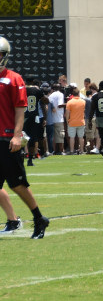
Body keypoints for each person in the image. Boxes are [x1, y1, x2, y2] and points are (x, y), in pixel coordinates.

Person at [0, 37, 49, 238]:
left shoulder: (14, 78)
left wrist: (17, 135)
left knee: (18, 184)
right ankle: (13, 220)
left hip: (7, 138)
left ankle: (38, 218)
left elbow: (20, 109)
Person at [24, 78, 45, 165]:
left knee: (23, 137)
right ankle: (30, 159)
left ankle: (23, 154)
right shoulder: (36, 90)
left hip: (23, 116)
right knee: (33, 138)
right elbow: (44, 101)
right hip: (34, 116)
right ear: (33, 81)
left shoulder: (22, 89)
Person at [65, 86, 87, 155]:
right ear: (79, 94)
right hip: (81, 121)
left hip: (72, 122)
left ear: (72, 94)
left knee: (72, 137)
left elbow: (67, 113)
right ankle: (82, 150)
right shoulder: (83, 101)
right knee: (81, 137)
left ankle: (71, 150)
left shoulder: (69, 102)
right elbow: (84, 111)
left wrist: (67, 121)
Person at [46, 81, 65, 155]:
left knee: (53, 137)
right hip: (59, 118)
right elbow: (60, 105)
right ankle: (60, 151)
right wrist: (68, 103)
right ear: (59, 88)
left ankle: (54, 150)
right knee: (60, 135)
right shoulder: (60, 94)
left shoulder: (50, 96)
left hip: (51, 119)